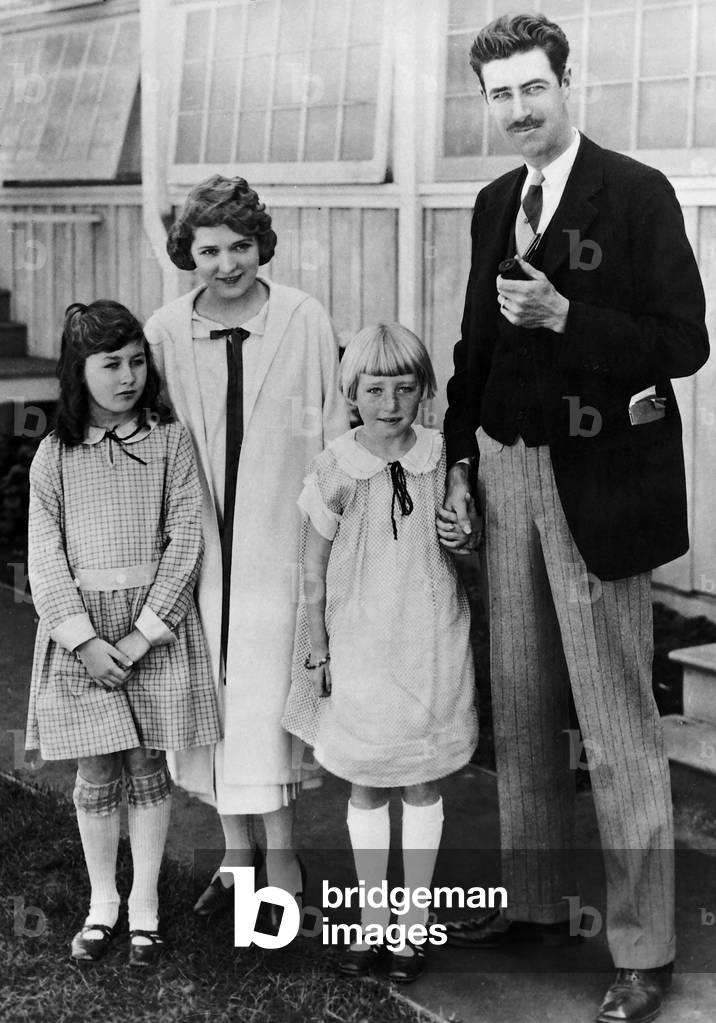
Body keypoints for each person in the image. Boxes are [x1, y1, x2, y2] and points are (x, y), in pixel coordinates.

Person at [438, 13, 709, 1023]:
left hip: (597, 481)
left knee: (615, 720)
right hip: (504, 472)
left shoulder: (634, 195)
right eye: (498, 94)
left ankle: (641, 948)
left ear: (564, 82)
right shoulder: (489, 203)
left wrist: (566, 319)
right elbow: (469, 345)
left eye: (530, 88)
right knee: (517, 706)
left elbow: (682, 342)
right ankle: (535, 904)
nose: (516, 108)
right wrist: (459, 460)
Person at [144, 175, 348, 917]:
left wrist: (330, 532)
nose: (227, 263)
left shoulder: (301, 317)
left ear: (261, 244)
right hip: (197, 545)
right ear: (186, 252)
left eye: (240, 246)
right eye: (209, 249)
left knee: (267, 697)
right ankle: (236, 855)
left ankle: (285, 857)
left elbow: (330, 429)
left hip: (280, 540)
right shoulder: (165, 329)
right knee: (212, 696)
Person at [25, 300, 221, 967]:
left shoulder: (168, 439)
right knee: (98, 764)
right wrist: (84, 640)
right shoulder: (54, 455)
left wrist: (141, 636)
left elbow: (186, 537)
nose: (128, 376)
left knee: (146, 763)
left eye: (138, 361)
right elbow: (44, 556)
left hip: (150, 632)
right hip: (84, 636)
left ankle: (145, 906)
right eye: (111, 364)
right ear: (79, 372)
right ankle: (102, 901)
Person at [283, 323, 478, 982]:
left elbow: (463, 543)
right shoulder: (337, 463)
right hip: (360, 639)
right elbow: (310, 563)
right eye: (375, 387)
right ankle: (372, 924)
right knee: (366, 780)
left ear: (425, 391)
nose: (390, 401)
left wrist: (464, 528)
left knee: (421, 779)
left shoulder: (443, 455)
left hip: (427, 637)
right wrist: (315, 641)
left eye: (405, 387)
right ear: (352, 392)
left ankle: (413, 930)